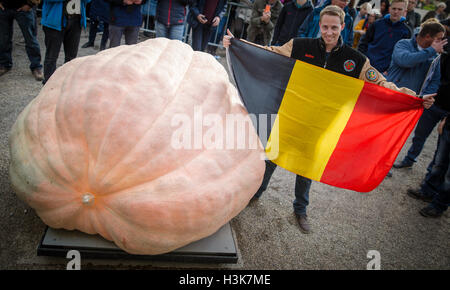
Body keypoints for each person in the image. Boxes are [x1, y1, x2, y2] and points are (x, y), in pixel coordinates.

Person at [223, 5, 435, 234]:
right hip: (292, 115)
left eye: (334, 27)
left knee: (307, 166)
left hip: (321, 125)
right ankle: (256, 193)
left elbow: (382, 84)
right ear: (320, 26)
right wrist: (239, 45)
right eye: (325, 27)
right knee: (272, 156)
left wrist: (412, 97)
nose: (329, 32)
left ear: (343, 27)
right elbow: (271, 52)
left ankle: (300, 209)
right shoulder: (299, 45)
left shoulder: (355, 60)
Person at [407, 18, 450, 217]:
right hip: (435, 105)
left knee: (443, 162)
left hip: (445, 111)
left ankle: (439, 202)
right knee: (437, 157)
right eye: (441, 38)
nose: (444, 41)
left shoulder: (439, 52)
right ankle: (427, 189)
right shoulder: (438, 53)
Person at [393, 19, 448, 169]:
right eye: (438, 39)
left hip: (410, 103)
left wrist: (427, 98)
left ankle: (383, 164)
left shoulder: (435, 56)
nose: (441, 42)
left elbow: (434, 80)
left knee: (395, 137)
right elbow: (405, 60)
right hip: (391, 97)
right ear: (428, 36)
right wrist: (430, 51)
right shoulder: (403, 44)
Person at [41, 0, 91, 84]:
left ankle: (66, 85)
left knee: (71, 58)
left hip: (76, 21)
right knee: (51, 57)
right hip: (54, 23)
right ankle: (48, 87)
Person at [358, 0, 411, 74]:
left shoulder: (406, 31)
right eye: (394, 8)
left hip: (386, 73)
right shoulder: (376, 24)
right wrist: (363, 61)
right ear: (389, 9)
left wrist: (390, 70)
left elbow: (403, 55)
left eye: (399, 9)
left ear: (405, 11)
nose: (396, 12)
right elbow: (363, 43)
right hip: (367, 67)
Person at [0, 0, 43, 81]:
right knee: (3, 39)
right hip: (4, 8)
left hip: (24, 8)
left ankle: (36, 66)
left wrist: (30, 4)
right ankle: (4, 64)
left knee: (30, 39)